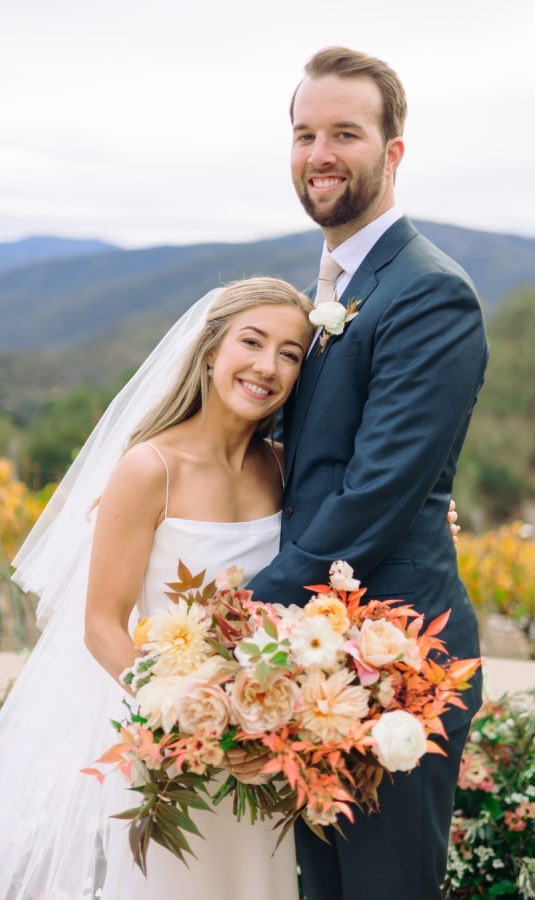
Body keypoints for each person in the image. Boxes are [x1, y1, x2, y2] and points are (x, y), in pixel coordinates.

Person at [0, 277, 314, 899]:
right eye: (253, 341)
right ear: (212, 348)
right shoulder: (148, 469)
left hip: (262, 751)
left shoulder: (281, 467)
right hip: (171, 751)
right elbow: (102, 626)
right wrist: (200, 724)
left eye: (290, 353)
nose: (267, 366)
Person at [246, 47, 488, 900]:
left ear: (393, 153)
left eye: (344, 133)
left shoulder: (428, 294)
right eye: (305, 133)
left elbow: (378, 493)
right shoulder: (337, 290)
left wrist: (241, 610)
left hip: (398, 666)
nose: (319, 154)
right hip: (325, 661)